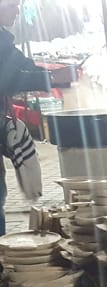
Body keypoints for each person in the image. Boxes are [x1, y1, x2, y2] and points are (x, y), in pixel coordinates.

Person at [1, 0, 47, 236]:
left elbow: (21, 64)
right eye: (11, 6)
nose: (17, 11)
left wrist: (47, 76)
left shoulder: (3, 38)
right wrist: (48, 79)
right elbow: (7, 79)